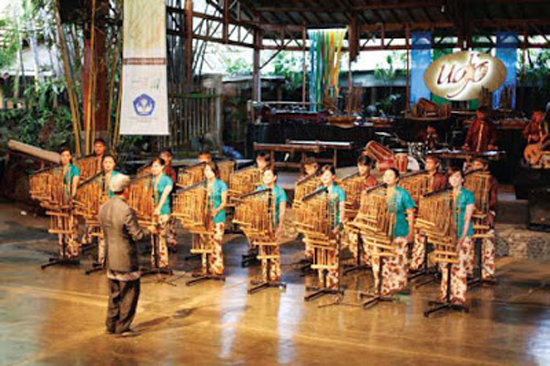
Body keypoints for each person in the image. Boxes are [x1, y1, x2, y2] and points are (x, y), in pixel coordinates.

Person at [99, 174, 154, 336]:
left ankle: (111, 325)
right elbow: (137, 235)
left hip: (110, 257)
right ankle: (122, 327)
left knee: (114, 294)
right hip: (125, 259)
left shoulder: (104, 207)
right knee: (129, 293)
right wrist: (150, 231)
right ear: (126, 190)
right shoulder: (126, 210)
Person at [372, 168, 415, 296]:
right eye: (386, 175)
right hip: (382, 230)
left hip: (400, 229)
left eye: (391, 175)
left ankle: (396, 287)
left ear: (397, 178)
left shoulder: (403, 193)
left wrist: (411, 232)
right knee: (380, 259)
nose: (388, 177)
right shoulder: (379, 192)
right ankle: (382, 286)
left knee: (398, 259)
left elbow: (410, 213)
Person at [440, 167, 475, 305]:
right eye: (451, 177)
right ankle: (445, 294)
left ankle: (458, 296)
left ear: (462, 179)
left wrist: (461, 239)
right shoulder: (446, 194)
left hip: (463, 233)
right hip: (447, 233)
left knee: (459, 265)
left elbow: (467, 219)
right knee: (445, 265)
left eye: (457, 177)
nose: (454, 179)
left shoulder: (468, 195)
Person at [410, 155, 448, 271]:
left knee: (439, 239)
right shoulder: (421, 177)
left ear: (436, 164)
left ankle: (443, 266)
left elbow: (444, 195)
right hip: (423, 211)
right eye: (426, 162)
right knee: (419, 237)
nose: (427, 165)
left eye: (430, 163)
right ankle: (416, 263)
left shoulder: (441, 178)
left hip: (436, 212)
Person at [315, 165, 346, 289]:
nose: (325, 177)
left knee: (333, 253)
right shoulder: (318, 190)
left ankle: (332, 283)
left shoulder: (339, 191)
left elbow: (342, 209)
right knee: (321, 252)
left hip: (334, 225)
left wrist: (339, 225)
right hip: (321, 226)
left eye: (327, 175)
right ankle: (321, 282)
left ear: (333, 177)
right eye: (323, 175)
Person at [256, 167, 288, 281]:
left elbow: (282, 211)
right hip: (262, 224)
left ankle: (275, 275)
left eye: (269, 175)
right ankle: (265, 275)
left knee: (274, 249)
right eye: (264, 175)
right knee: (263, 249)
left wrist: (280, 226)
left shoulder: (280, 192)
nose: (266, 178)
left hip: (274, 223)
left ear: (274, 177)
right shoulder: (259, 189)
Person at [471, 157, 498, 281]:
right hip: (471, 212)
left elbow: (493, 200)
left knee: (488, 242)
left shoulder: (491, 180)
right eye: (474, 165)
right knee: (468, 242)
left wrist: (487, 210)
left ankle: (487, 272)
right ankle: (467, 270)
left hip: (485, 211)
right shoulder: (467, 180)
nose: (475, 167)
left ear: (485, 166)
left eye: (478, 165)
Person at [204, 161, 228, 276]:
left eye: (209, 170)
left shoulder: (221, 184)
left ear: (214, 172)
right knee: (206, 242)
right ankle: (206, 268)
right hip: (206, 217)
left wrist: (216, 210)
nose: (207, 173)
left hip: (218, 216)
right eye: (206, 170)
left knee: (217, 242)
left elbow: (224, 202)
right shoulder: (203, 185)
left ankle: (217, 268)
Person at [150, 158, 174, 268]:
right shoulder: (150, 180)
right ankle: (154, 261)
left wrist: (159, 207)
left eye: (156, 166)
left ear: (162, 167)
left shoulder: (167, 180)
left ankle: (163, 262)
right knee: (153, 236)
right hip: (151, 211)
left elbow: (165, 195)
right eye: (153, 166)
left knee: (162, 236)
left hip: (163, 210)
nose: (154, 169)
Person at [59, 147, 81, 259]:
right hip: (59, 198)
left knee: (71, 223)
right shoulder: (58, 170)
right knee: (60, 224)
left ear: (70, 157)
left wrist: (72, 198)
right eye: (63, 155)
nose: (65, 158)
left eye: (67, 155)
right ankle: (63, 250)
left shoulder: (74, 169)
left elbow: (74, 185)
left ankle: (72, 251)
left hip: (69, 197)